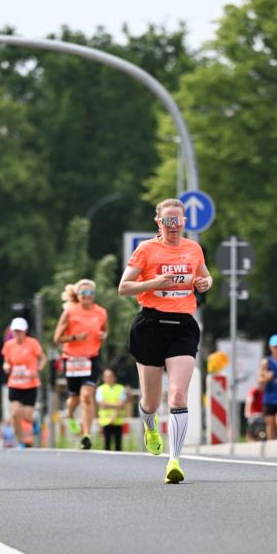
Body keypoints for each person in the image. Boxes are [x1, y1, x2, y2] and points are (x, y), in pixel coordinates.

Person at [118, 197, 212, 483]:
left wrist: (205, 283)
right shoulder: (146, 250)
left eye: (178, 220)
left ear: (184, 222)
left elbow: (204, 278)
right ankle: (150, 427)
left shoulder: (193, 248)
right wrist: (153, 283)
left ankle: (175, 460)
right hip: (150, 326)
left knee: (178, 395)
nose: (173, 226)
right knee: (150, 400)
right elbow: (124, 288)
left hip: (182, 327)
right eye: (167, 221)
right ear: (158, 222)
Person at [53, 279, 108, 450]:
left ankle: (86, 434)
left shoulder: (101, 312)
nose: (87, 296)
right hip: (72, 359)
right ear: (78, 295)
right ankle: (69, 414)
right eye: (83, 293)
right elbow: (57, 338)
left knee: (86, 396)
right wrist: (75, 338)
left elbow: (105, 330)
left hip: (91, 358)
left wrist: (103, 335)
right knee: (74, 400)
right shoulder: (69, 312)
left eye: (90, 293)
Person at [1, 316, 46, 447]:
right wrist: (6, 367)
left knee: (27, 415)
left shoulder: (33, 343)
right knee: (15, 413)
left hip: (30, 384)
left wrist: (37, 369)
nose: (18, 334)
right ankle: (20, 441)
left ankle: (35, 420)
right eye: (15, 331)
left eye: (20, 331)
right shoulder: (9, 345)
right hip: (15, 383)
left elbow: (43, 359)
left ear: (25, 331)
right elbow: (6, 362)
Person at [96, 368, 127, 451]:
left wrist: (108, 405)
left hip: (118, 421)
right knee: (106, 444)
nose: (108, 378)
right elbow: (102, 404)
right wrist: (116, 405)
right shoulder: (100, 389)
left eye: (110, 376)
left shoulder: (120, 388)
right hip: (105, 421)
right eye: (106, 376)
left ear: (114, 377)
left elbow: (121, 404)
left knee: (118, 445)